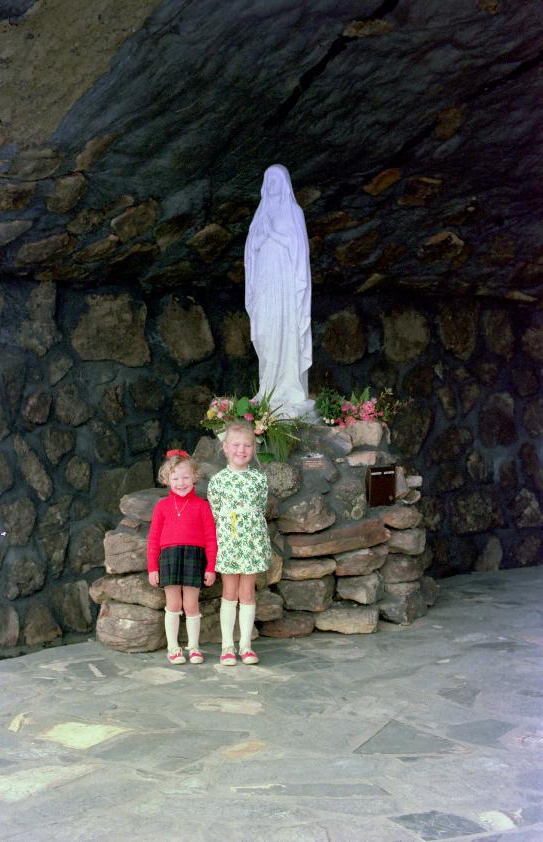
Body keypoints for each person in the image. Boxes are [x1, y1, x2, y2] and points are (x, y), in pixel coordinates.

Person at [244, 163, 314, 419]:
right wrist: (262, 240)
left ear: (283, 184)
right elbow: (250, 253)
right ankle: (268, 388)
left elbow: (298, 250)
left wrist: (274, 235)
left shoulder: (293, 212)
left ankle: (287, 388)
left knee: (285, 333)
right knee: (266, 333)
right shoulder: (259, 215)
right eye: (268, 180)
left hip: (284, 286)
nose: (272, 185)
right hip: (265, 282)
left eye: (276, 180)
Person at [207, 421, 271, 665]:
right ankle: (227, 646)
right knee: (229, 592)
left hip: (252, 542)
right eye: (236, 445)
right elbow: (214, 514)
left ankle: (246, 645)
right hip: (229, 543)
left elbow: (260, 509)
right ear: (225, 447)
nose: (241, 450)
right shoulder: (218, 481)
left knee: (247, 593)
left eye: (247, 445)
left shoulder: (258, 479)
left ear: (254, 449)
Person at [147, 449, 217, 665]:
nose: (180, 482)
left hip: (194, 558)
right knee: (174, 603)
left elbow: (211, 539)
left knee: (191, 604)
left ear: (194, 477)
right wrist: (152, 568)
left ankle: (194, 648)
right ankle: (173, 648)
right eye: (175, 478)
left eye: (185, 477)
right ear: (167, 480)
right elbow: (153, 539)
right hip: (169, 557)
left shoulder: (202, 506)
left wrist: (210, 567)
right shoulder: (162, 506)